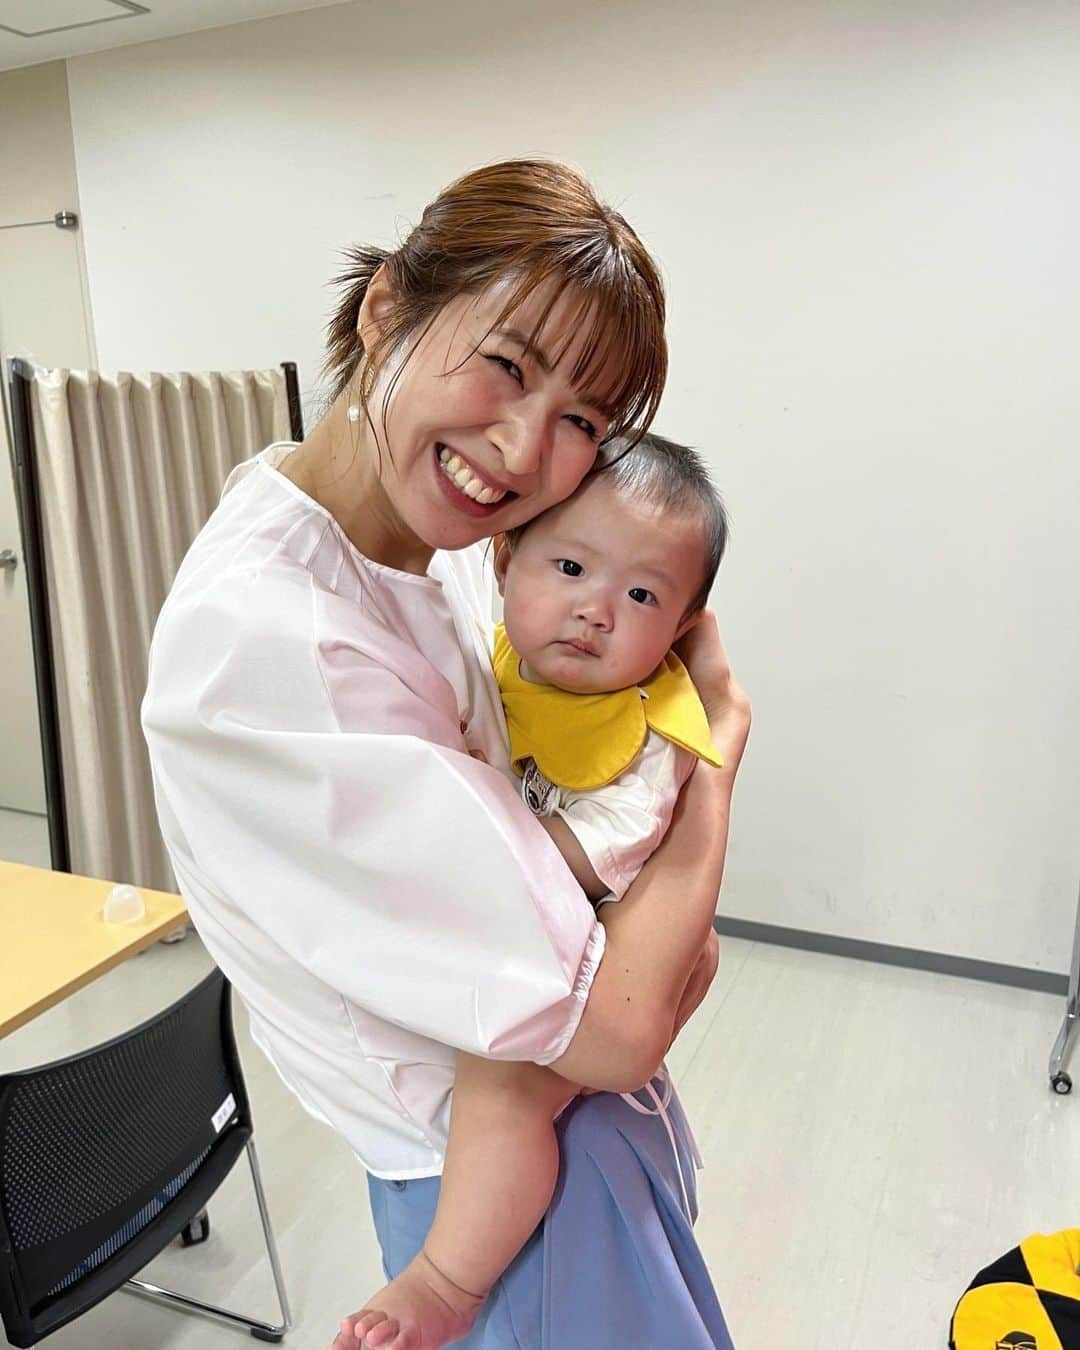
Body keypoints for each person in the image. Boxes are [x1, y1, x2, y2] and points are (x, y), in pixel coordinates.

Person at [140, 159, 751, 1350]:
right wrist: (717, 749)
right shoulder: (271, 645)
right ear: (387, 310)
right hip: (498, 1198)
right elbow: (619, 1020)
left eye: (581, 419)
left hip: (578, 1145)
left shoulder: (431, 542)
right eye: (506, 367)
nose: (523, 451)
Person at [351, 432, 730, 1350]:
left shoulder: (645, 736)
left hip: (593, 960)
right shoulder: (488, 666)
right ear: (505, 557)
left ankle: (448, 1279)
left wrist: (469, 859)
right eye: (570, 566)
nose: (594, 611)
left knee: (502, 1086)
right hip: (546, 962)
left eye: (641, 595)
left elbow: (594, 852)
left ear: (681, 628)